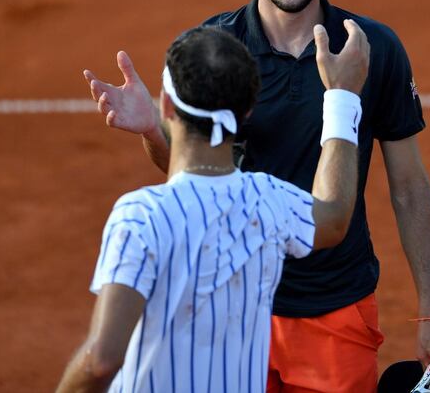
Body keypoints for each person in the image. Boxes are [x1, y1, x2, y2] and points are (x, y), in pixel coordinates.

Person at [84, 0, 430, 392]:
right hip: (233, 305)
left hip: (336, 306)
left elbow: (409, 185)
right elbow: (190, 164)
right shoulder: (215, 48)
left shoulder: (372, 49)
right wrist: (154, 131)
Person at [57, 24, 370, 393]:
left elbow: (100, 362)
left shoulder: (140, 216)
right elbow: (333, 216)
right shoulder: (270, 202)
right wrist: (342, 96)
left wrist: (155, 129)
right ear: (248, 110)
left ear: (167, 105)